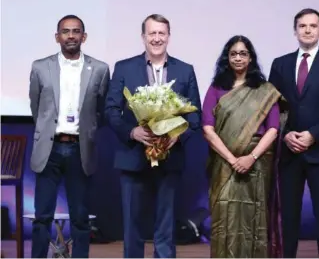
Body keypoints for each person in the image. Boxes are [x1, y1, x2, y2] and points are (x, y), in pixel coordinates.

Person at [104, 14, 202, 258]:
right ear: (143, 37)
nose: (157, 38)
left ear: (168, 36)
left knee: (165, 225)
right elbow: (111, 109)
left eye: (161, 33)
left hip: (170, 159)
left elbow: (195, 116)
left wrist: (178, 135)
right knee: (132, 224)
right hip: (133, 158)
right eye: (152, 33)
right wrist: (132, 131)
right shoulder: (124, 67)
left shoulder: (185, 70)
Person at [268, 8, 319, 258]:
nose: (307, 30)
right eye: (302, 26)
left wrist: (313, 135)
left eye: (312, 26)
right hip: (289, 151)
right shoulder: (280, 64)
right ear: (295, 30)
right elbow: (272, 105)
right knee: (289, 216)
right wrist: (285, 134)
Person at [29, 15, 110, 258]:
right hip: (49, 149)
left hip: (80, 149)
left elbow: (101, 109)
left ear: (84, 37)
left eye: (76, 31)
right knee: (42, 216)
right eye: (66, 31)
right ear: (57, 37)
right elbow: (36, 107)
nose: (71, 36)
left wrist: (89, 131)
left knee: (81, 217)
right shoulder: (40, 67)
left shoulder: (100, 69)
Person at [202, 35, 283, 258]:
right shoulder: (217, 88)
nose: (238, 58)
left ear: (250, 58)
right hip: (224, 163)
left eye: (243, 53)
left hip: (256, 164)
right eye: (233, 53)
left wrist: (251, 157)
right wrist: (232, 159)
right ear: (227, 58)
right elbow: (208, 129)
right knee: (224, 216)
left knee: (253, 218)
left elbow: (273, 129)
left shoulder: (264, 90)